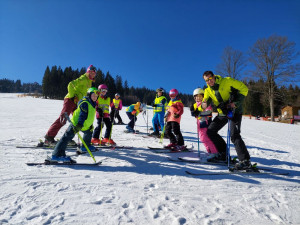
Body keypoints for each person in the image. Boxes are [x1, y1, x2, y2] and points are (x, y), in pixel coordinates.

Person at [201, 70, 251, 170]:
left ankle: (245, 161)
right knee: (211, 131)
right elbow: (205, 102)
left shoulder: (226, 81)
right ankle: (223, 154)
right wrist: (202, 106)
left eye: (210, 78)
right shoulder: (208, 90)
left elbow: (244, 89)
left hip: (234, 111)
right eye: (206, 80)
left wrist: (235, 103)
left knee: (234, 135)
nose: (209, 82)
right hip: (222, 113)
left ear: (214, 76)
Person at [44, 65, 97, 145]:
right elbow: (70, 84)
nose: (93, 74)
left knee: (76, 120)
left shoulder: (89, 83)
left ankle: (67, 138)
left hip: (77, 103)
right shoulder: (83, 79)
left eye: (94, 73)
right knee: (63, 118)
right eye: (92, 72)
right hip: (70, 100)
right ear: (88, 72)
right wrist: (72, 97)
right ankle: (49, 138)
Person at [50, 87, 98, 162]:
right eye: (93, 95)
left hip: (84, 125)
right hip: (76, 124)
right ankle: (56, 155)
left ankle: (85, 146)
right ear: (89, 95)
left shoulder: (93, 103)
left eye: (96, 96)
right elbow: (82, 115)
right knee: (67, 137)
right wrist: (79, 125)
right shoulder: (85, 103)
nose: (95, 97)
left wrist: (90, 124)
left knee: (89, 132)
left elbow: (90, 115)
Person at [190, 88, 218, 159]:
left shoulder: (205, 103)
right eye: (196, 97)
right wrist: (193, 112)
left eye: (200, 96)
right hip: (200, 125)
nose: (198, 98)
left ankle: (214, 152)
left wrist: (198, 113)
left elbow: (209, 112)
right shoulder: (195, 105)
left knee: (205, 138)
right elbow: (195, 115)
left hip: (206, 124)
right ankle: (209, 152)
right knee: (202, 139)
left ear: (203, 96)